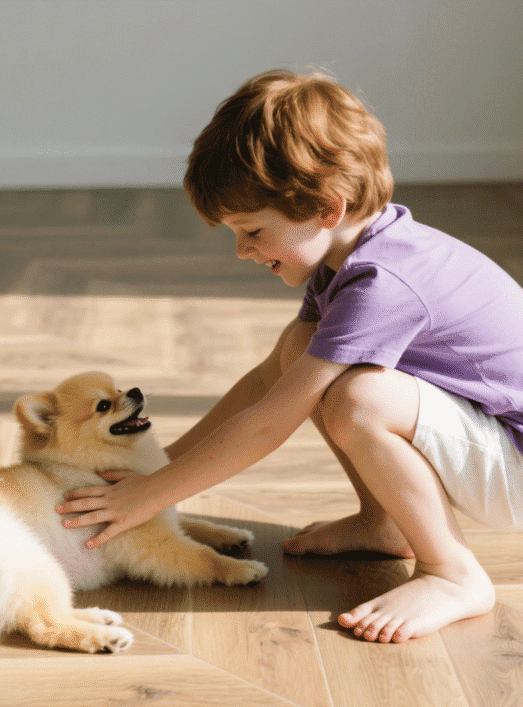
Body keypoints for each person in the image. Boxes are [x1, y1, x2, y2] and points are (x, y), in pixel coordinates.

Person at [55, 69, 523, 643]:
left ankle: (452, 572)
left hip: (516, 465)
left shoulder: (385, 283)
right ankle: (385, 524)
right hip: (496, 444)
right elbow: (269, 382)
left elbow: (269, 425)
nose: (242, 250)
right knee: (302, 351)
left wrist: (151, 495)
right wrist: (166, 463)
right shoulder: (349, 257)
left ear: (328, 208)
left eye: (252, 231)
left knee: (360, 399)